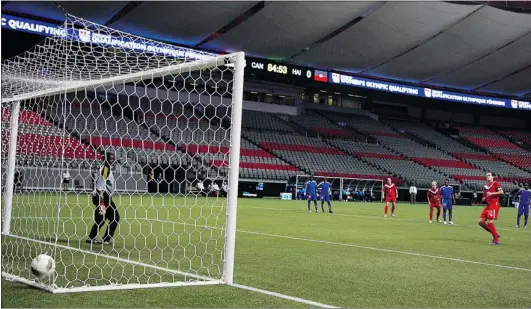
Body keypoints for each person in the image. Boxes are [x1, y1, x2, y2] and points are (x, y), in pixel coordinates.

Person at [87, 153, 120, 245]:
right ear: (105, 160)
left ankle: (91, 237)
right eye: (110, 159)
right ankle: (106, 239)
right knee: (115, 217)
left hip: (102, 196)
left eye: (113, 159)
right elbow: (101, 184)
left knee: (102, 218)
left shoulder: (105, 168)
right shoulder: (105, 169)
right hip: (103, 196)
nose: (113, 161)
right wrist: (101, 200)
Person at [479, 172, 503, 245]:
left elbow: (501, 192)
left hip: (494, 205)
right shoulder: (486, 186)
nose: (487, 176)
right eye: (486, 175)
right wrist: (484, 198)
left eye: (489, 175)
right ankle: (495, 234)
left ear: (493, 177)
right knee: (481, 222)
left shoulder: (495, 183)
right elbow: (484, 196)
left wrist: (492, 193)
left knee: (489, 222)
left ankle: (496, 240)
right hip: (488, 206)